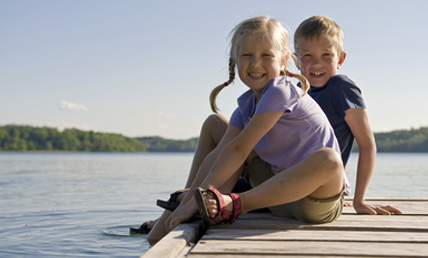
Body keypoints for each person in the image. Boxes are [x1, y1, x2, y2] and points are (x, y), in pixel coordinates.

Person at [147, 16, 348, 244]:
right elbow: (221, 153)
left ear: (284, 60)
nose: (255, 64)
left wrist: (198, 196)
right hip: (275, 195)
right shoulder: (245, 106)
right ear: (235, 60)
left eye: (266, 56)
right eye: (247, 56)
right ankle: (192, 201)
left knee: (330, 160)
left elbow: (239, 150)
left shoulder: (281, 90)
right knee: (215, 125)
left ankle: (231, 204)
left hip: (316, 202)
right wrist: (193, 195)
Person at [293, 15, 402, 215]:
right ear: (295, 59)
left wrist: (359, 201)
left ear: (341, 59)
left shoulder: (341, 88)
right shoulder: (295, 91)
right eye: (308, 55)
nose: (317, 63)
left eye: (327, 55)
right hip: (289, 176)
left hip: (319, 181)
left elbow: (367, 145)